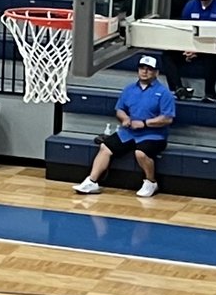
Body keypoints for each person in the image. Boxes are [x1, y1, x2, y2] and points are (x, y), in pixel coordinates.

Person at [74, 55, 176, 199]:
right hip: (129, 132)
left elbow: (167, 118)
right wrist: (125, 118)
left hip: (153, 135)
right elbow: (120, 109)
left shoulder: (164, 93)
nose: (145, 72)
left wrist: (145, 123)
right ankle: (92, 181)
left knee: (140, 153)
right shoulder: (129, 89)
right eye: (142, 68)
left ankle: (151, 182)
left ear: (156, 73)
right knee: (105, 147)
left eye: (149, 69)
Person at [162, 0, 216, 104]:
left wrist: (198, 50)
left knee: (210, 57)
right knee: (167, 55)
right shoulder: (190, 6)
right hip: (192, 45)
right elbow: (185, 30)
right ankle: (178, 89)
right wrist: (188, 47)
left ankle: (210, 94)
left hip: (213, 46)